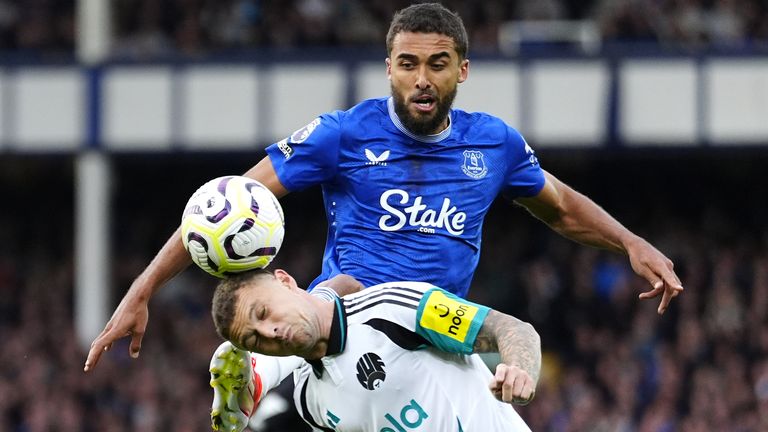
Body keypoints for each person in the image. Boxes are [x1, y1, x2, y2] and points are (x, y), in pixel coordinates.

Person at [83, 1, 683, 429]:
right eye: (407, 63)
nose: (422, 79)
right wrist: (142, 290)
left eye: (438, 63)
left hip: (432, 335)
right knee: (339, 301)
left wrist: (629, 242)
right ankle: (266, 381)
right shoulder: (342, 135)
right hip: (348, 315)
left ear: (462, 70)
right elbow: (224, 210)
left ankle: (260, 375)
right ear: (389, 67)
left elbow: (560, 208)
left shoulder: (492, 145)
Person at [210, 268, 541, 431]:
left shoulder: (393, 309)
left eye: (263, 313)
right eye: (255, 341)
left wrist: (520, 371)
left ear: (285, 281)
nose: (272, 332)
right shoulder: (307, 399)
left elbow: (511, 329)